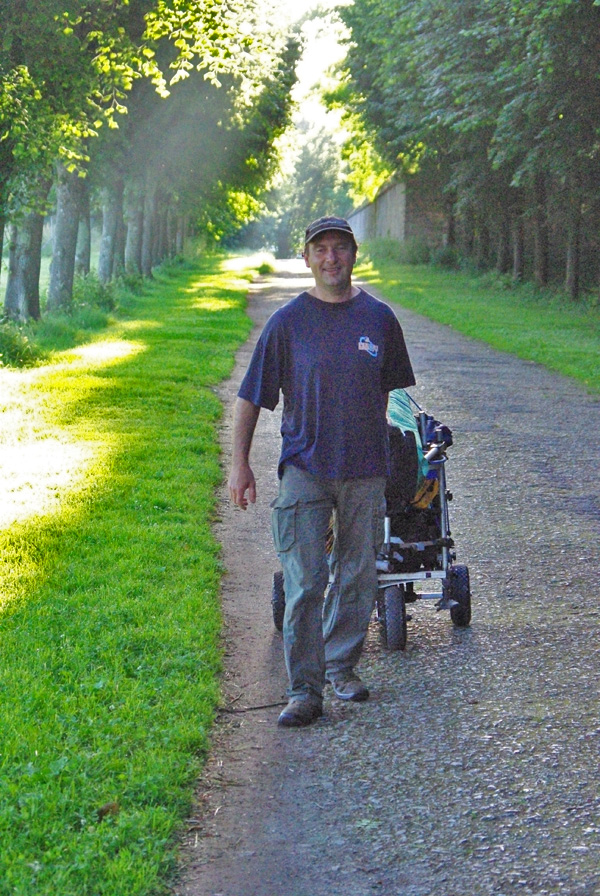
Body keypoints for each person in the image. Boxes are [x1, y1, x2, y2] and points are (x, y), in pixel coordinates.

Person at [228, 216, 415, 728]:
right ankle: (303, 690)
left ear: (354, 255)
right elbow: (252, 398)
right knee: (306, 580)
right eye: (321, 250)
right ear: (307, 258)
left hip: (363, 472)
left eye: (340, 248)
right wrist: (240, 464)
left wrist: (370, 447)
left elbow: (386, 393)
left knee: (357, 575)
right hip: (306, 468)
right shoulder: (287, 323)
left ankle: (341, 667)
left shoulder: (380, 320)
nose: (331, 258)